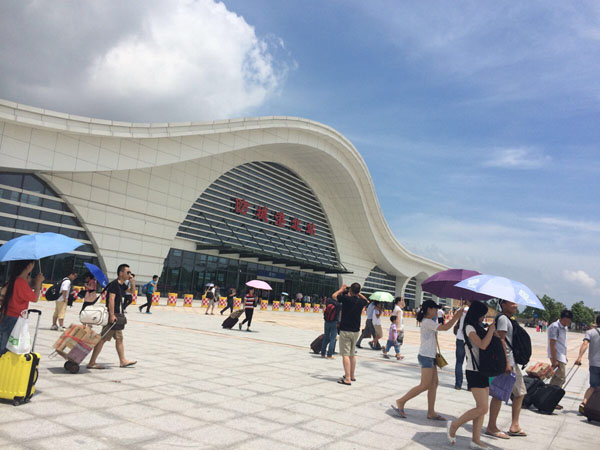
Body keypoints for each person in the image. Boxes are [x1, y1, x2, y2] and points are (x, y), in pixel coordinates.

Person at [392, 300, 464, 419]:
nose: (437, 311)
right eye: (435, 309)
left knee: (434, 384)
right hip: (426, 356)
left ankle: (431, 412)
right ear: (429, 309)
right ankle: (401, 401)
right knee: (425, 385)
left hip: (431, 355)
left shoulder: (429, 321)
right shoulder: (427, 322)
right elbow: (445, 328)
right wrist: (456, 317)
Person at [447, 301, 496, 450]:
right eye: (482, 315)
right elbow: (482, 344)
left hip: (482, 370)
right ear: (476, 314)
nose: (483, 318)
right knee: (482, 408)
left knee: (481, 408)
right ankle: (454, 425)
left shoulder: (478, 327)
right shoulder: (469, 328)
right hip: (473, 371)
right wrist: (491, 330)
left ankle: (476, 440)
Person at [485, 300, 528, 439]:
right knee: (499, 394)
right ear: (503, 304)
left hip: (510, 362)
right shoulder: (503, 319)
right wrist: (506, 363)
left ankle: (514, 425)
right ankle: (492, 426)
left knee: (519, 392)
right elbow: (501, 340)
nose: (516, 305)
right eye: (512, 303)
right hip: (507, 363)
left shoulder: (506, 319)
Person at [87, 264, 137, 369]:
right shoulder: (114, 284)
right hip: (113, 317)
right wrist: (112, 315)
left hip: (117, 316)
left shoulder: (122, 285)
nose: (129, 274)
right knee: (102, 339)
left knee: (119, 339)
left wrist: (132, 282)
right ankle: (91, 363)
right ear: (121, 273)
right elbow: (111, 300)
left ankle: (123, 360)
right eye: (127, 272)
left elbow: (132, 292)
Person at [0, 260, 44, 355]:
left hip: (6, 315)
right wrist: (38, 282)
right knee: (6, 346)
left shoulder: (14, 280)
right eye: (32, 264)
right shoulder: (21, 283)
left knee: (3, 343)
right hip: (14, 318)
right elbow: (34, 298)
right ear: (28, 266)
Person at [333, 283, 370, 385]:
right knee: (352, 354)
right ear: (358, 292)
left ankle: (347, 378)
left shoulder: (346, 299)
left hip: (345, 330)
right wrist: (358, 293)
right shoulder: (361, 301)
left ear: (350, 291)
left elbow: (334, 296)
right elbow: (367, 301)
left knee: (345, 354)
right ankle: (352, 375)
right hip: (355, 331)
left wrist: (341, 289)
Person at [575, 314, 600, 413]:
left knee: (593, 386)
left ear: (596, 322)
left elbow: (585, 344)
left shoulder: (590, 332)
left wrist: (579, 357)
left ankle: (584, 403)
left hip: (594, 363)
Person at [548, 309, 573, 396]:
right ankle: (551, 397)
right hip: (557, 355)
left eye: (568, 322)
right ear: (560, 318)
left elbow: (562, 343)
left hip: (561, 355)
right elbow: (552, 344)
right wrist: (554, 360)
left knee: (556, 378)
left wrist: (564, 356)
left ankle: (549, 398)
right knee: (561, 378)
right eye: (565, 321)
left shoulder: (563, 328)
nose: (566, 323)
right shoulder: (555, 327)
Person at [455, 300, 471, 390]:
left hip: (460, 337)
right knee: (470, 363)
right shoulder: (475, 310)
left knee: (459, 362)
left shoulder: (461, 309)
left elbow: (455, 318)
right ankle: (470, 386)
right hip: (470, 339)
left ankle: (458, 384)